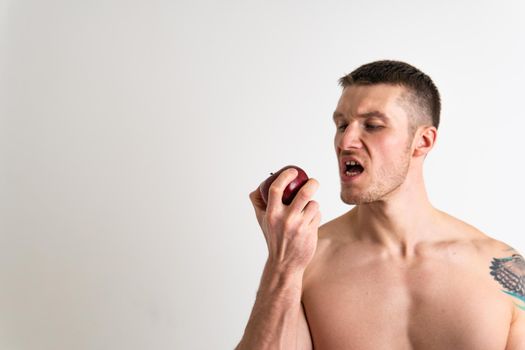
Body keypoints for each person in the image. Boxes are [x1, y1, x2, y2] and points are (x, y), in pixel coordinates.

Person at [235, 60, 525, 349]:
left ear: (422, 141)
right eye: (341, 124)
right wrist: (282, 264)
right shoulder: (308, 261)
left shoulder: (500, 270)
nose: (346, 141)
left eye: (372, 125)